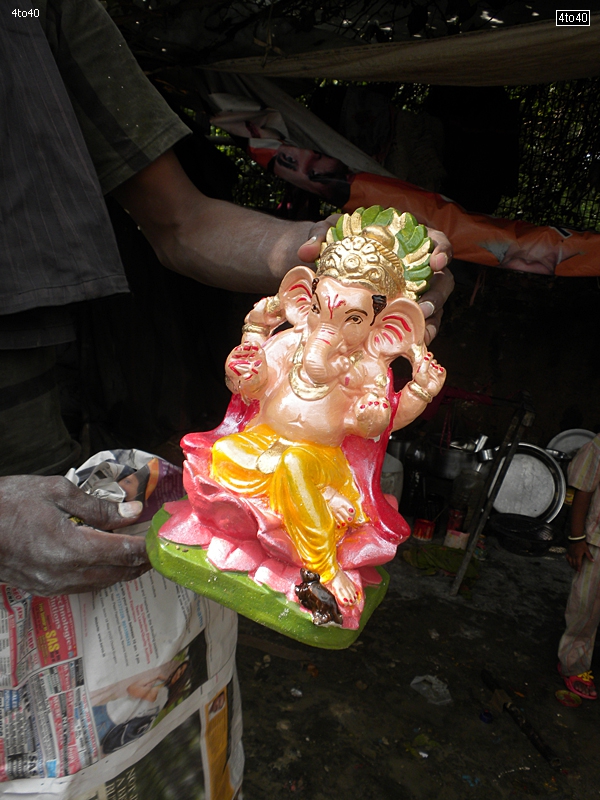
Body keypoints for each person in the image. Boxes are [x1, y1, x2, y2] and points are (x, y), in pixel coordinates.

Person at [0, 0, 453, 600]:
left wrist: (407, 388)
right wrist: (251, 360)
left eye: (350, 316)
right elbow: (252, 382)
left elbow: (180, 220)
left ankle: (319, 566)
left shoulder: (37, 12)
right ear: (302, 300)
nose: (324, 329)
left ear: (387, 327)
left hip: (289, 465)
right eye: (321, 306)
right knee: (225, 463)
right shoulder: (293, 339)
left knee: (293, 475)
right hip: (252, 455)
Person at [558, 433, 600, 699]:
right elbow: (584, 488)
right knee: (586, 608)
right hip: (597, 542)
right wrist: (576, 538)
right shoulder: (598, 446)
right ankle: (574, 664)